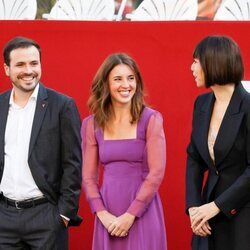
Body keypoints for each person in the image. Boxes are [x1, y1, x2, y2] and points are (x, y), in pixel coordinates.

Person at [0, 36, 82, 249]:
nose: (28, 70)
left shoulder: (62, 106)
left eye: (34, 63)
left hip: (46, 218)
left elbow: (72, 164)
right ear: (6, 69)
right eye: (20, 64)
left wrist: (64, 215)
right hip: (4, 219)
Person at [81, 53, 167, 250]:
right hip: (107, 214)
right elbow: (88, 177)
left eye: (130, 78)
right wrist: (102, 213)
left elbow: (156, 174)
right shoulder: (91, 125)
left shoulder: (151, 119)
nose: (125, 85)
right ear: (106, 84)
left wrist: (131, 215)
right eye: (117, 79)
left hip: (142, 212)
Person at [186, 35, 250, 250]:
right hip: (206, 217)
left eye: (196, 61)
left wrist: (216, 207)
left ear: (213, 62)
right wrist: (195, 208)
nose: (191, 67)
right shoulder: (201, 103)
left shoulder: (248, 106)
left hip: (242, 213)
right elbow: (194, 158)